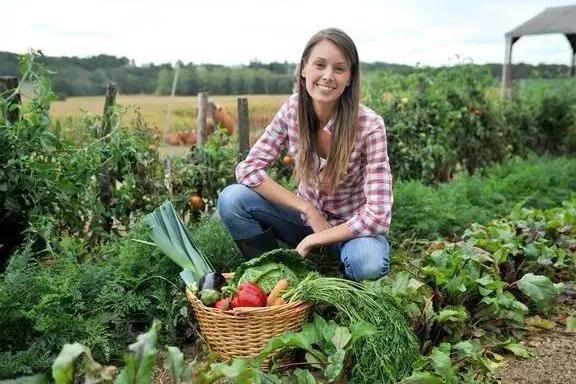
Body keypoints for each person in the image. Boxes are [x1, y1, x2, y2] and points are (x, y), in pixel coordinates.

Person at [217, 28, 392, 282]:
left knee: (368, 262)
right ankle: (279, 276)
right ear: (303, 69)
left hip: (351, 232)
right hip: (301, 222)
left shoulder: (369, 126)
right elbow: (248, 169)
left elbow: (378, 216)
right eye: (319, 65)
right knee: (232, 199)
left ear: (350, 78)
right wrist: (307, 208)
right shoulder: (292, 110)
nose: (328, 76)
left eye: (339, 69)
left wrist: (316, 238)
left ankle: (341, 286)